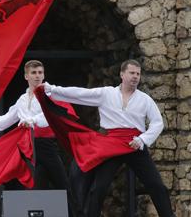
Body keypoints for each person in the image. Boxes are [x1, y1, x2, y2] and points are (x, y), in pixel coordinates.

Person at [44, 59, 174, 217]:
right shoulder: (106, 93)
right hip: (111, 146)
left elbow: (157, 123)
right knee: (99, 187)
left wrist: (142, 139)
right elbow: (79, 94)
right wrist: (52, 90)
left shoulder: (145, 99)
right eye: (132, 73)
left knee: (156, 185)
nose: (135, 77)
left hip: (135, 144)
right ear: (122, 74)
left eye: (138, 74)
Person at [0, 60, 74, 216]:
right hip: (27, 147)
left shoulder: (49, 94)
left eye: (40, 73)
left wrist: (33, 121)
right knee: (29, 187)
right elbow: (6, 119)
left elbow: (52, 115)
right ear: (26, 76)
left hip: (46, 145)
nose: (37, 76)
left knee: (63, 185)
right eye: (34, 73)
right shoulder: (22, 100)